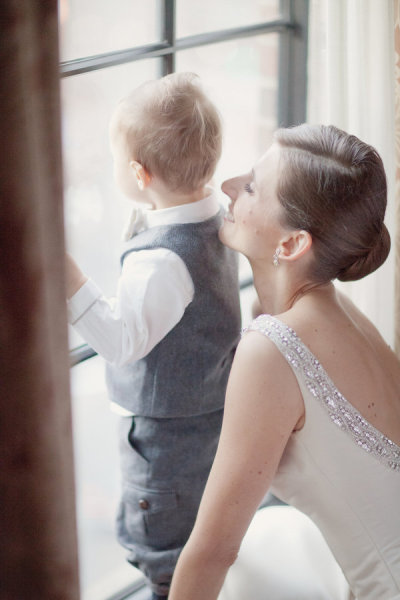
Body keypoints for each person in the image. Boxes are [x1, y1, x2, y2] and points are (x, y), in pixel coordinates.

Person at [168, 123, 400, 600]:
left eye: (252, 187)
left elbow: (212, 550)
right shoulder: (340, 310)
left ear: (292, 244)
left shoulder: (273, 348)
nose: (227, 186)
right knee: (266, 543)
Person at [65, 72, 241, 599]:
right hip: (206, 415)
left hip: (165, 442)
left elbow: (121, 342)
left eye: (116, 160)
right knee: (195, 524)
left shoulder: (164, 261)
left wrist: (66, 273)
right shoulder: (213, 216)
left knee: (163, 546)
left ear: (139, 174)